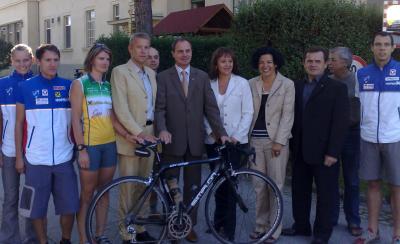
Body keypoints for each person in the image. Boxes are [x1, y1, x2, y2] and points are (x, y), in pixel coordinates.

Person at [155, 37, 229, 243]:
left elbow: (211, 108)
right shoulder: (163, 77)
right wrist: (162, 129)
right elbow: (159, 108)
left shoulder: (201, 76)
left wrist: (220, 132)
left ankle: (188, 226)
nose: (185, 54)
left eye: (188, 51)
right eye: (180, 51)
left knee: (193, 187)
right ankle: (172, 225)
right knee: (172, 187)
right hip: (171, 141)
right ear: (173, 54)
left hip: (195, 142)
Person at [70, 43, 140, 244]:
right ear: (92, 59)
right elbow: (75, 119)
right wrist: (81, 149)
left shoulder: (108, 86)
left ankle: (100, 235)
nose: (105, 62)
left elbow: (113, 119)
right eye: (101, 58)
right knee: (87, 194)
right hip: (90, 146)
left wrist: (128, 136)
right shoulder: (80, 84)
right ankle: (84, 237)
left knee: (104, 192)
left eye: (108, 59)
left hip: (109, 145)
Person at [282, 46, 349, 244]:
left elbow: (340, 123)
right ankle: (301, 226)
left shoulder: (337, 88)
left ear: (326, 63)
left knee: (326, 195)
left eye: (317, 61)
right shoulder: (296, 86)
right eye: (309, 61)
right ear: (304, 63)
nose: (313, 64)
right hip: (300, 149)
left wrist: (333, 152)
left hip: (325, 153)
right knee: (299, 190)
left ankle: (322, 233)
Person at [15, 44, 79, 244]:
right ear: (38, 62)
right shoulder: (25, 87)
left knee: (69, 206)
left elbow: (78, 119)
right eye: (48, 60)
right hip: (36, 159)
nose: (52, 64)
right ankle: (42, 242)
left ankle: (65, 240)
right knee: (35, 207)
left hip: (64, 158)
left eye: (55, 59)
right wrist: (19, 157)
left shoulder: (70, 86)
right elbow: (18, 124)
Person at [111, 32, 158, 243]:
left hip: (150, 135)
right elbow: (120, 108)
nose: (143, 51)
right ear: (131, 49)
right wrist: (137, 134)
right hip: (132, 137)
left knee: (145, 185)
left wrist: (152, 135)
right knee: (128, 188)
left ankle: (140, 227)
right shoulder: (120, 72)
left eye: (146, 47)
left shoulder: (151, 73)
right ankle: (126, 233)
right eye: (139, 47)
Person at [354, 32, 400, 244]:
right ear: (372, 47)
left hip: (395, 138)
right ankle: (372, 230)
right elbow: (359, 105)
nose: (382, 48)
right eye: (378, 44)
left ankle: (397, 234)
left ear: (393, 48)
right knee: (373, 185)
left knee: (396, 187)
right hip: (368, 137)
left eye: (385, 45)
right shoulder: (362, 74)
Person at [204, 47, 253, 241]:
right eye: (223, 61)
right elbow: (203, 111)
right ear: (216, 63)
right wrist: (212, 132)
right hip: (213, 142)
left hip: (234, 143)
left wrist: (237, 137)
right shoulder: (209, 83)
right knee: (217, 182)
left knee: (231, 186)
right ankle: (218, 222)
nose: (227, 65)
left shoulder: (242, 84)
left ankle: (229, 230)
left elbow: (247, 112)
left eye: (230, 61)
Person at [248, 47, 295, 243]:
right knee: (259, 186)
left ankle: (274, 229)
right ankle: (261, 226)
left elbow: (287, 115)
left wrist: (279, 141)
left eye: (268, 62)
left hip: (276, 142)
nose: (265, 65)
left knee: (275, 185)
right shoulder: (251, 83)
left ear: (276, 63)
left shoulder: (287, 84)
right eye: (261, 62)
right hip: (254, 142)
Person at [0, 44, 37, 244]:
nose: (22, 64)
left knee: (30, 198)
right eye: (18, 60)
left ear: (31, 59)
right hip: (9, 150)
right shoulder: (2, 84)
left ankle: (31, 238)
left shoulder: (38, 83)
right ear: (11, 61)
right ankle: (9, 238)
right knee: (11, 198)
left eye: (26, 60)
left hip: (33, 152)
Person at [328, 47, 362, 237]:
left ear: (345, 63)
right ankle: (332, 217)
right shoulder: (328, 81)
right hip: (332, 136)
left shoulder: (357, 81)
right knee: (331, 179)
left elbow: (358, 111)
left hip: (351, 135)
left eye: (333, 59)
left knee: (352, 180)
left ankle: (354, 220)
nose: (329, 62)